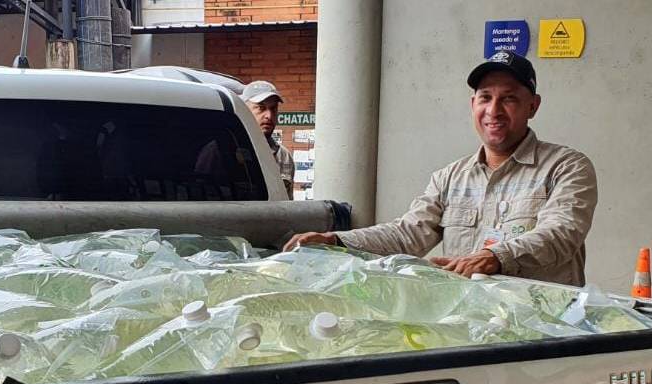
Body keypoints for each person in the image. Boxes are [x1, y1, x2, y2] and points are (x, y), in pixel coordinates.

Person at [286, 51, 597, 285]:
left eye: (510, 99)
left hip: (546, 331)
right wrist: (337, 241)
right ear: (472, 105)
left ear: (533, 105)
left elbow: (560, 234)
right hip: (469, 324)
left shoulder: (567, 167)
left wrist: (496, 257)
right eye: (485, 98)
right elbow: (407, 235)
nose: (494, 110)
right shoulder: (450, 178)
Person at [242, 80, 296, 197]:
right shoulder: (222, 150)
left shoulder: (284, 156)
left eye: (273, 108)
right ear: (245, 110)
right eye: (261, 108)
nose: (269, 116)